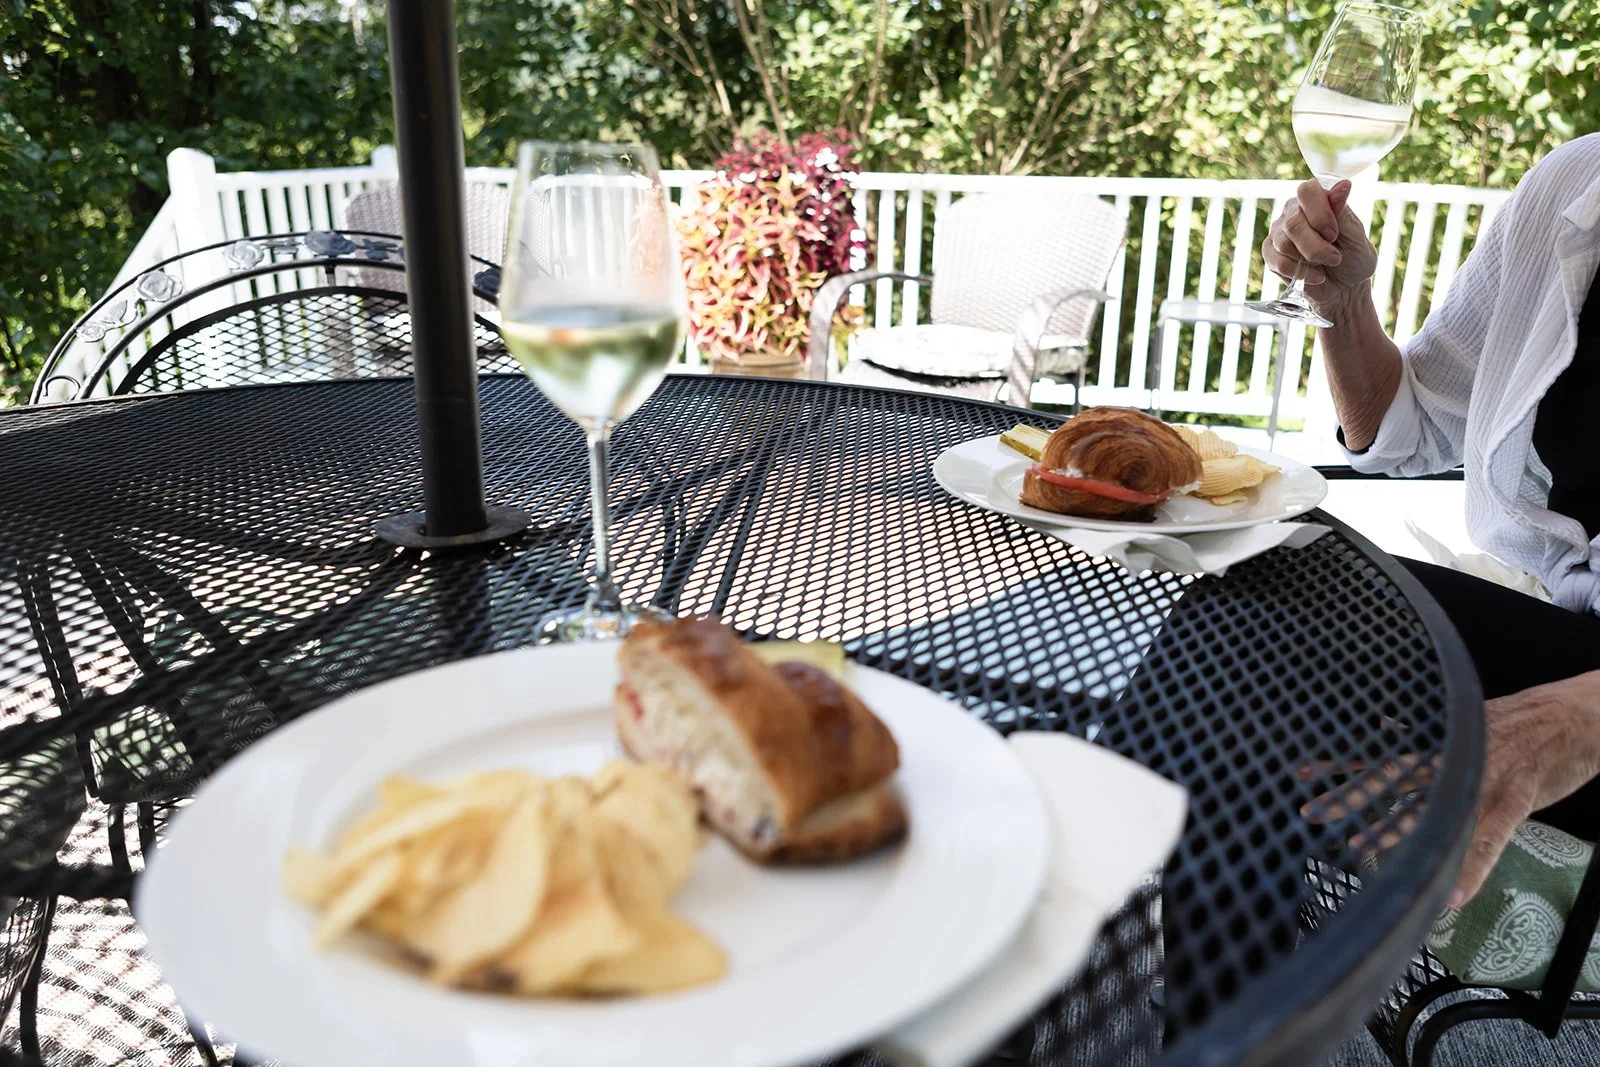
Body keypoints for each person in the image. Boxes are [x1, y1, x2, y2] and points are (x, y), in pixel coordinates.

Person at [1262, 133, 1600, 908]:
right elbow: (1405, 422)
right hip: (1579, 635)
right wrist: (1341, 302)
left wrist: (1582, 717)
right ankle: (1230, 1002)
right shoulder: (1577, 183)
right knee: (1271, 579)